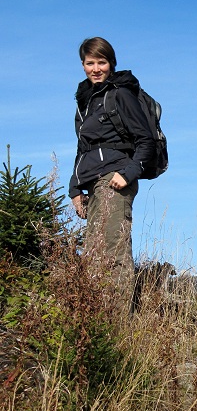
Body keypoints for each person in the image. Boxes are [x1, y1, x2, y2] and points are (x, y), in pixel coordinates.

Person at [68, 37, 155, 309]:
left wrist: (128, 173)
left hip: (115, 180)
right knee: (93, 255)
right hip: (93, 182)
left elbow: (146, 140)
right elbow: (83, 148)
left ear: (111, 64)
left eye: (101, 62)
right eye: (90, 62)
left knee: (113, 252)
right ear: (82, 65)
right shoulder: (86, 101)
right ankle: (97, 321)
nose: (96, 68)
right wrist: (75, 189)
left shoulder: (120, 94)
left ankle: (116, 326)